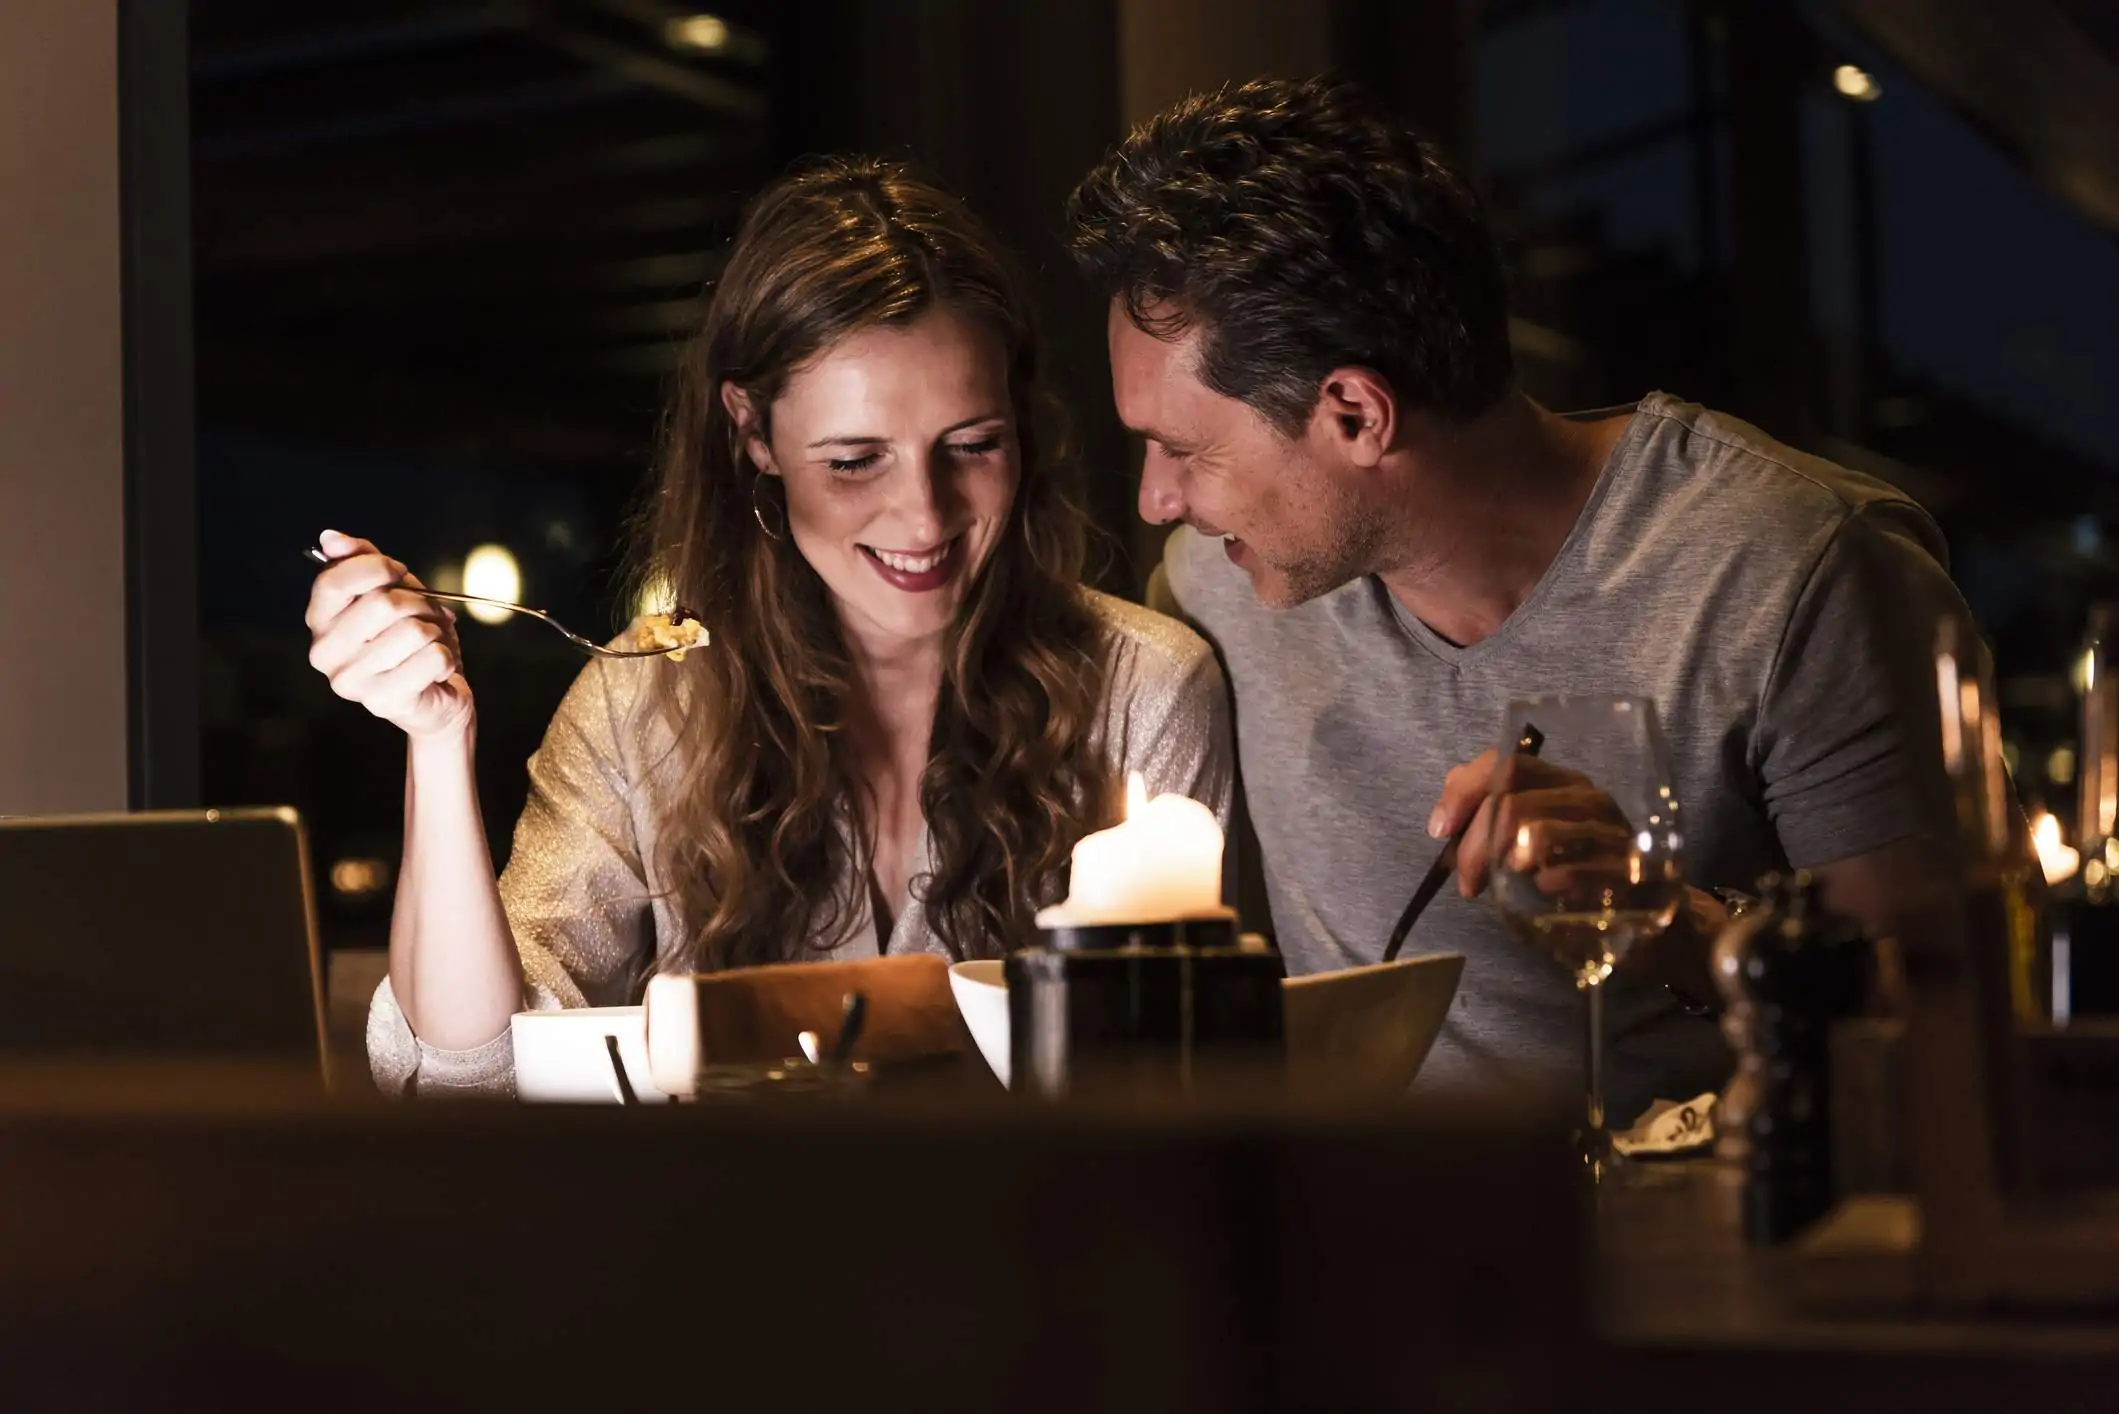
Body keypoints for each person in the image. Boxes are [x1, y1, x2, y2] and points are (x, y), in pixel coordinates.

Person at [1065, 77, 1971, 1120]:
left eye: (1183, 450)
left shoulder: (1796, 569)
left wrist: (1657, 918)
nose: (1156, 499)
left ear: (1355, 414)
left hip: (1695, 1251)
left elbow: (1945, 1036)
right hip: (1356, 1246)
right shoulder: (1208, 591)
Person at [306, 158, 1232, 1097]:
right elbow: (474, 1073)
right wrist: (435, 739)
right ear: (754, 434)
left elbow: (1197, 1082)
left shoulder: (1144, 690)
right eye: (854, 460)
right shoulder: (646, 703)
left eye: (971, 445)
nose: (923, 517)